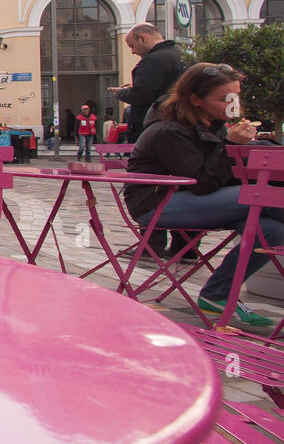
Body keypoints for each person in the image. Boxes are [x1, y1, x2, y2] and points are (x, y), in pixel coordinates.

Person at [125, 63, 282, 327]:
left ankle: (216, 296)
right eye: (224, 99)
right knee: (263, 197)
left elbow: (221, 178)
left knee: (272, 230)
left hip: (193, 199)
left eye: (235, 97)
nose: (231, 104)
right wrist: (230, 145)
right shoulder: (167, 130)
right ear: (195, 99)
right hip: (157, 204)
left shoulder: (213, 125)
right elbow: (203, 183)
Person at [110, 23, 185, 141]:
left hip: (154, 130)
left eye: (132, 46)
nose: (132, 52)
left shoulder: (152, 60)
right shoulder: (182, 55)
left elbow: (141, 95)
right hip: (178, 125)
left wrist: (122, 93)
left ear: (142, 38)